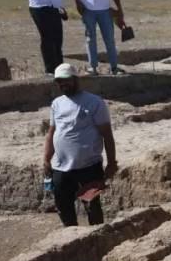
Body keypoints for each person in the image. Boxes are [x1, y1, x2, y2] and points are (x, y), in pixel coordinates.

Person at [43, 63, 118, 226]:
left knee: (92, 208)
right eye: (59, 81)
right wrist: (46, 158)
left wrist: (112, 162)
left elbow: (107, 134)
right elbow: (51, 132)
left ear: (76, 79)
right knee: (64, 208)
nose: (63, 84)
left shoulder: (94, 102)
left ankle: (97, 241)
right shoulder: (57, 103)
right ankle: (72, 242)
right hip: (61, 168)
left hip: (88, 167)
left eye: (66, 80)